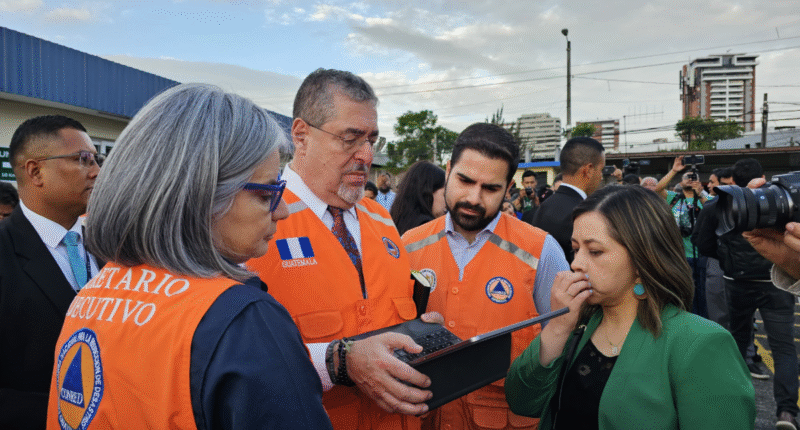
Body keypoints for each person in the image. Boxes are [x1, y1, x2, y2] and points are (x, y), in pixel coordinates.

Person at [45, 84, 332, 429]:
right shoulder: (239, 319)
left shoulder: (92, 295)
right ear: (203, 197)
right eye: (267, 193)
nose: (283, 211)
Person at [247, 68, 438, 430]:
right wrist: (340, 362)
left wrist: (420, 335)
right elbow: (238, 357)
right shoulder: (251, 217)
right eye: (350, 138)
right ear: (301, 135)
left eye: (372, 140)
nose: (366, 155)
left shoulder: (381, 219)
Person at [505, 185, 755, 429]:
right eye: (575, 249)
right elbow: (522, 402)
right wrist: (558, 326)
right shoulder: (576, 324)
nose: (576, 264)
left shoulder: (699, 343)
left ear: (642, 259)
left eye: (594, 251)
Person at [402, 123, 570, 430]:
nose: (474, 198)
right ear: (449, 170)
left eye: (490, 188)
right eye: (465, 181)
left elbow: (562, 346)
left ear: (508, 188)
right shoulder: (408, 246)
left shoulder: (541, 251)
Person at [0, 115, 102, 430]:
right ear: (35, 171)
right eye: (83, 159)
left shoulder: (112, 249)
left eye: (97, 159)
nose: (96, 171)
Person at [693, 158, 798, 429]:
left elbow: (703, 244)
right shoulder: (785, 207)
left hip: (736, 280)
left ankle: (735, 407)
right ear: (762, 178)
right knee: (783, 348)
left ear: (732, 181)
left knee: (737, 343)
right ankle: (786, 412)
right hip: (776, 282)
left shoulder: (716, 206)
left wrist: (728, 258)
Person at [531, 137, 605, 263]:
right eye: (601, 170)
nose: (601, 177)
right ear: (588, 170)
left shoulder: (544, 206)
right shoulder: (584, 213)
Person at [655, 156, 708, 318]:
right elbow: (657, 189)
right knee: (682, 291)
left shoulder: (704, 199)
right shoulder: (673, 197)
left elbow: (714, 212)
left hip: (701, 255)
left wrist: (701, 193)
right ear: (680, 181)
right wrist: (674, 171)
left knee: (703, 295)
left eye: (694, 178)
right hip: (679, 255)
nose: (690, 180)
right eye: (687, 178)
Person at [390, 160, 446, 235]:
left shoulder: (396, 218)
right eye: (444, 195)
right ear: (428, 192)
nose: (447, 202)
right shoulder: (428, 228)